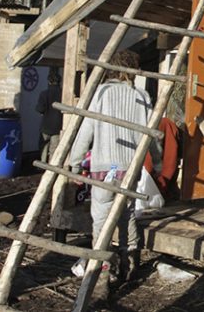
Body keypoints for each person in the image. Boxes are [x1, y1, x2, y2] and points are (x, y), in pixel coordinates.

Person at [68, 50, 161, 299]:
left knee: (101, 217)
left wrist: (74, 164)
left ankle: (102, 272)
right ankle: (130, 263)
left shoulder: (101, 94)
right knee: (127, 212)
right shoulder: (141, 96)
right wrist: (158, 161)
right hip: (129, 168)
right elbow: (151, 133)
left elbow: (86, 130)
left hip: (103, 168)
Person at [36, 69, 63, 164]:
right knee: (54, 149)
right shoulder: (63, 94)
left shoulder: (44, 94)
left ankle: (42, 165)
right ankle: (52, 168)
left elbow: (40, 109)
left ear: (49, 81)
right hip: (58, 126)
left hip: (46, 126)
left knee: (44, 146)